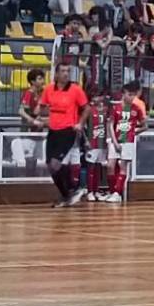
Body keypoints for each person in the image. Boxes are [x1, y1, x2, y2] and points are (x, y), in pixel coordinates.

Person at [40, 62, 89, 206]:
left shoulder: (75, 90)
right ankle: (67, 194)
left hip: (68, 131)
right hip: (53, 131)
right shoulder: (49, 89)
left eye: (68, 71)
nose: (66, 74)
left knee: (56, 164)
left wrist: (80, 123)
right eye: (63, 71)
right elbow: (42, 107)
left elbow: (86, 108)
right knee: (50, 166)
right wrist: (43, 117)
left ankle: (73, 189)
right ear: (56, 74)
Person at [106, 80, 147, 202]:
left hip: (128, 140)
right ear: (123, 94)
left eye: (133, 95)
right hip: (116, 139)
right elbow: (110, 125)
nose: (131, 97)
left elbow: (145, 126)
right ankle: (112, 191)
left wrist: (134, 132)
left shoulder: (136, 109)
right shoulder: (116, 108)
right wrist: (114, 142)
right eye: (129, 94)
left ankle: (117, 193)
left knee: (123, 166)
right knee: (110, 166)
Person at [17, 67, 47, 176]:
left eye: (42, 78)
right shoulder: (28, 93)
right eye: (39, 79)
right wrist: (32, 120)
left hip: (38, 131)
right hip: (28, 130)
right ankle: (27, 180)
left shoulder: (42, 94)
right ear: (33, 81)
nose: (42, 81)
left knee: (35, 158)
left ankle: (32, 179)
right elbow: (21, 111)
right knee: (29, 158)